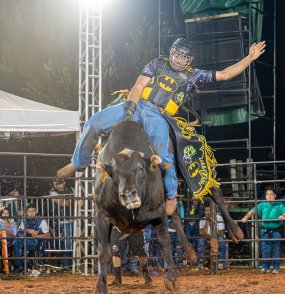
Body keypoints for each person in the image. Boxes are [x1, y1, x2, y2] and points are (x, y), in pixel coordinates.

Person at [57, 39, 266, 215]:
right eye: (176, 55)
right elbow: (138, 85)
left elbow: (225, 75)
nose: (178, 59)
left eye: (183, 57)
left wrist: (249, 57)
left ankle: (171, 194)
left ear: (189, 60)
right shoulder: (157, 63)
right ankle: (79, 161)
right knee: (94, 121)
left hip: (159, 115)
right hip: (137, 104)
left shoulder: (194, 75)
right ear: (171, 53)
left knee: (163, 154)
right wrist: (130, 109)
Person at [241, 187, 285, 273]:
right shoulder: (262, 205)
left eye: (271, 194)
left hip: (276, 229)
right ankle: (266, 267)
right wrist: (246, 217)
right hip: (265, 230)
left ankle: (276, 267)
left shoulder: (280, 204)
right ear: (265, 196)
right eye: (267, 194)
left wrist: (283, 216)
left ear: (275, 196)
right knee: (265, 249)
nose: (269, 196)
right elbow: (252, 211)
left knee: (276, 248)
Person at [13, 204, 50, 272]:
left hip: (37, 242)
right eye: (29, 211)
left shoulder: (41, 221)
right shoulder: (24, 220)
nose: (32, 213)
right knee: (18, 239)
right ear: (26, 213)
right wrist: (28, 230)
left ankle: (19, 266)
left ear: (36, 211)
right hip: (26, 241)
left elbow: (47, 234)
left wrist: (37, 236)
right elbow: (20, 230)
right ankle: (21, 266)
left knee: (17, 241)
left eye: (33, 211)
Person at [49, 178, 74, 268]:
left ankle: (73, 262)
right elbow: (63, 203)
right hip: (62, 221)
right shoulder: (53, 192)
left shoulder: (70, 189)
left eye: (60, 183)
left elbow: (80, 202)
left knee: (76, 241)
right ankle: (67, 263)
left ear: (64, 182)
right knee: (67, 242)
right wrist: (72, 200)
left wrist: (71, 200)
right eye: (56, 184)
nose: (58, 186)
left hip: (74, 218)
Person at [196, 204, 228, 270]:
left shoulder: (219, 218)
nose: (207, 212)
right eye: (205, 210)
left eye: (209, 210)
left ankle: (221, 263)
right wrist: (207, 221)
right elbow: (202, 233)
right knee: (200, 241)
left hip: (217, 237)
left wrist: (213, 238)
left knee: (221, 239)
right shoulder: (202, 220)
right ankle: (201, 263)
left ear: (213, 211)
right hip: (207, 238)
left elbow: (221, 233)